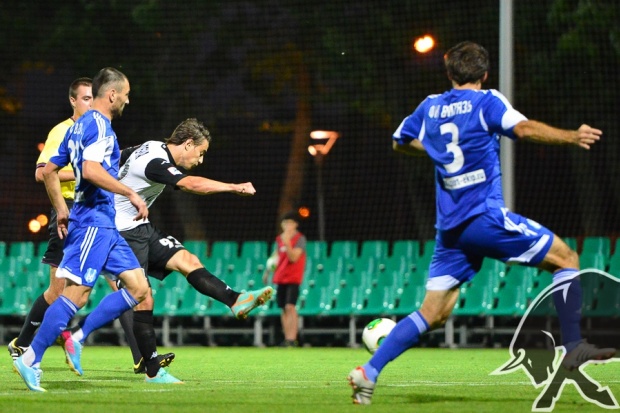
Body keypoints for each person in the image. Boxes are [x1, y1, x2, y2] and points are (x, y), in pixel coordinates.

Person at [347, 41, 616, 405]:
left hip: (450, 231)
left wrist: (436, 154)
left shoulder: (430, 106)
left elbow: (400, 142)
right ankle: (573, 347)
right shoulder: (487, 101)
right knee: (566, 258)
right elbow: (523, 129)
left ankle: (369, 372)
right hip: (484, 217)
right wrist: (571, 136)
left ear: (449, 72)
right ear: (485, 74)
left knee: (433, 314)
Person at [59, 118, 274, 382]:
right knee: (142, 297)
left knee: (187, 260)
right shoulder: (156, 162)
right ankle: (84, 339)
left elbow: (112, 161)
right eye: (201, 153)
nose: (201, 160)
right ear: (188, 144)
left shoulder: (151, 146)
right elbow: (191, 184)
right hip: (120, 233)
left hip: (139, 227)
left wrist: (71, 173)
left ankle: (236, 300)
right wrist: (233, 187)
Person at [6, 78, 172, 375]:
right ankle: (30, 358)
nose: (128, 100)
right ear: (112, 94)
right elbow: (86, 170)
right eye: (126, 94)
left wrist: (61, 209)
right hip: (92, 220)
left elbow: (51, 171)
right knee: (73, 294)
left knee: (138, 287)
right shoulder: (97, 126)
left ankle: (81, 338)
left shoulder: (79, 127)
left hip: (104, 221)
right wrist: (130, 193)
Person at [263, 211, 306, 347]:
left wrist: (287, 243)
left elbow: (294, 258)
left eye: (290, 223)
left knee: (290, 306)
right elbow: (275, 257)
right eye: (285, 223)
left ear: (296, 225)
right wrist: (267, 272)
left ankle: (293, 338)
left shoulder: (300, 239)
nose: (288, 226)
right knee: (283, 308)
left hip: (293, 278)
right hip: (280, 278)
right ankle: (287, 338)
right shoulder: (279, 239)